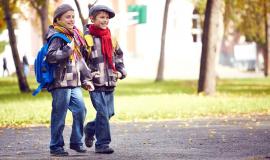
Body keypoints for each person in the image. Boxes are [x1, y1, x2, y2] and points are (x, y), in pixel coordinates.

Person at [46, 4, 94, 156]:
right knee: (59, 115)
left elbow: (79, 60)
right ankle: (56, 146)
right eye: (68, 16)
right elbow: (51, 56)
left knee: (80, 110)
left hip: (74, 82)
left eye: (73, 16)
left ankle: (76, 141)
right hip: (60, 83)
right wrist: (67, 50)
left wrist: (86, 79)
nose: (71, 19)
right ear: (58, 19)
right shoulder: (57, 36)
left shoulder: (74, 35)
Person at [83, 5, 127, 154]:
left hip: (110, 81)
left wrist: (121, 71)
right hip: (95, 83)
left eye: (107, 18)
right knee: (102, 112)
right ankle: (102, 144)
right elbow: (80, 62)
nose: (105, 20)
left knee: (109, 113)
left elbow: (119, 56)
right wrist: (87, 78)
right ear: (92, 19)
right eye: (102, 17)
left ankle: (90, 129)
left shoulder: (111, 38)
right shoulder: (87, 39)